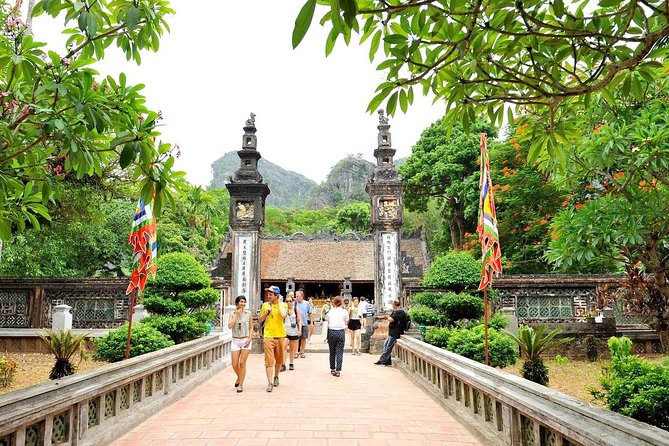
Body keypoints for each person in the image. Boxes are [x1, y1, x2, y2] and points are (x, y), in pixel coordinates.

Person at [258, 285, 288, 392]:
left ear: (276, 295)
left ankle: (276, 376)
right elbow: (259, 320)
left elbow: (283, 315)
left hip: (280, 335)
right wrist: (266, 313)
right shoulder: (265, 305)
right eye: (268, 294)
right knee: (269, 361)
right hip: (268, 336)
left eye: (271, 294)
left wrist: (279, 302)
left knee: (279, 360)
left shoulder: (283, 305)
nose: (268, 296)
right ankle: (269, 382)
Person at [228, 295, 254, 393]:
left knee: (242, 363)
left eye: (244, 302)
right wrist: (236, 316)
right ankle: (239, 377)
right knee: (235, 364)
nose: (243, 304)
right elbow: (230, 326)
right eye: (241, 302)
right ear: (237, 303)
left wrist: (249, 338)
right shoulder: (232, 313)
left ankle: (241, 384)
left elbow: (251, 327)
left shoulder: (249, 313)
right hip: (235, 340)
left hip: (245, 340)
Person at [374, 299, 407, 367]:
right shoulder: (395, 312)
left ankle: (382, 360)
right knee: (386, 345)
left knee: (388, 347)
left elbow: (391, 319)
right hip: (392, 332)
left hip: (396, 332)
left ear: (394, 305)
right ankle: (387, 360)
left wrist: (387, 317)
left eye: (392, 305)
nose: (392, 306)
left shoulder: (400, 312)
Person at [326, 296, 348, 376]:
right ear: (341, 303)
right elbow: (346, 320)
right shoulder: (344, 311)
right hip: (340, 332)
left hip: (332, 331)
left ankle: (332, 368)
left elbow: (328, 320)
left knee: (332, 351)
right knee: (339, 351)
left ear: (334, 303)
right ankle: (338, 369)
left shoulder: (330, 311)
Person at [282, 293, 302, 371]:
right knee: (284, 346)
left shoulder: (296, 310)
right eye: (287, 301)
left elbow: (299, 320)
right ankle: (283, 363)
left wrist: (300, 329)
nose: (288, 303)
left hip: (294, 331)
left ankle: (291, 363)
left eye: (290, 301)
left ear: (293, 302)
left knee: (292, 348)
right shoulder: (284, 310)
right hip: (285, 331)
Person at [295, 290, 313, 358]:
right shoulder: (294, 303)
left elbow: (310, 313)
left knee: (303, 338)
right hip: (296, 324)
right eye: (296, 296)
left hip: (304, 323)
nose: (296, 297)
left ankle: (302, 352)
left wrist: (311, 322)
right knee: (296, 338)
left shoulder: (307, 303)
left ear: (301, 296)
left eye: (297, 296)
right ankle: (296, 352)